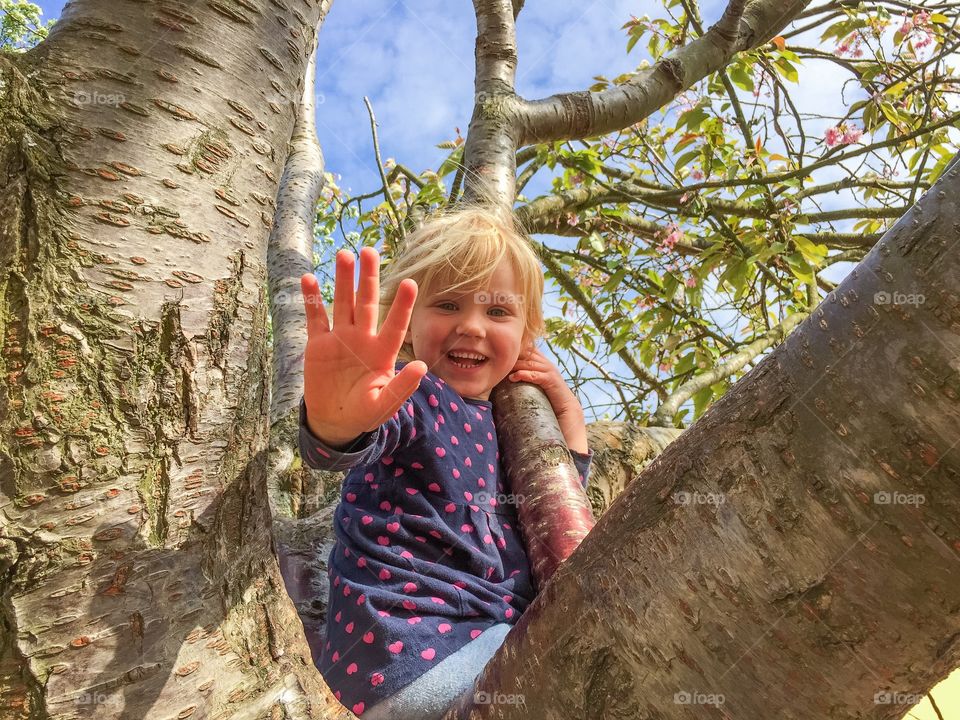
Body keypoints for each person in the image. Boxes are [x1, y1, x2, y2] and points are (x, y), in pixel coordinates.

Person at [297, 205, 593, 718]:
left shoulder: (504, 426)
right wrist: (335, 419)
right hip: (414, 649)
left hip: (480, 644)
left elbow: (560, 509)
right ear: (407, 325)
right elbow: (349, 440)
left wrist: (566, 410)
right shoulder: (416, 392)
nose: (473, 327)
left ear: (527, 336)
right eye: (449, 305)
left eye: (498, 312)